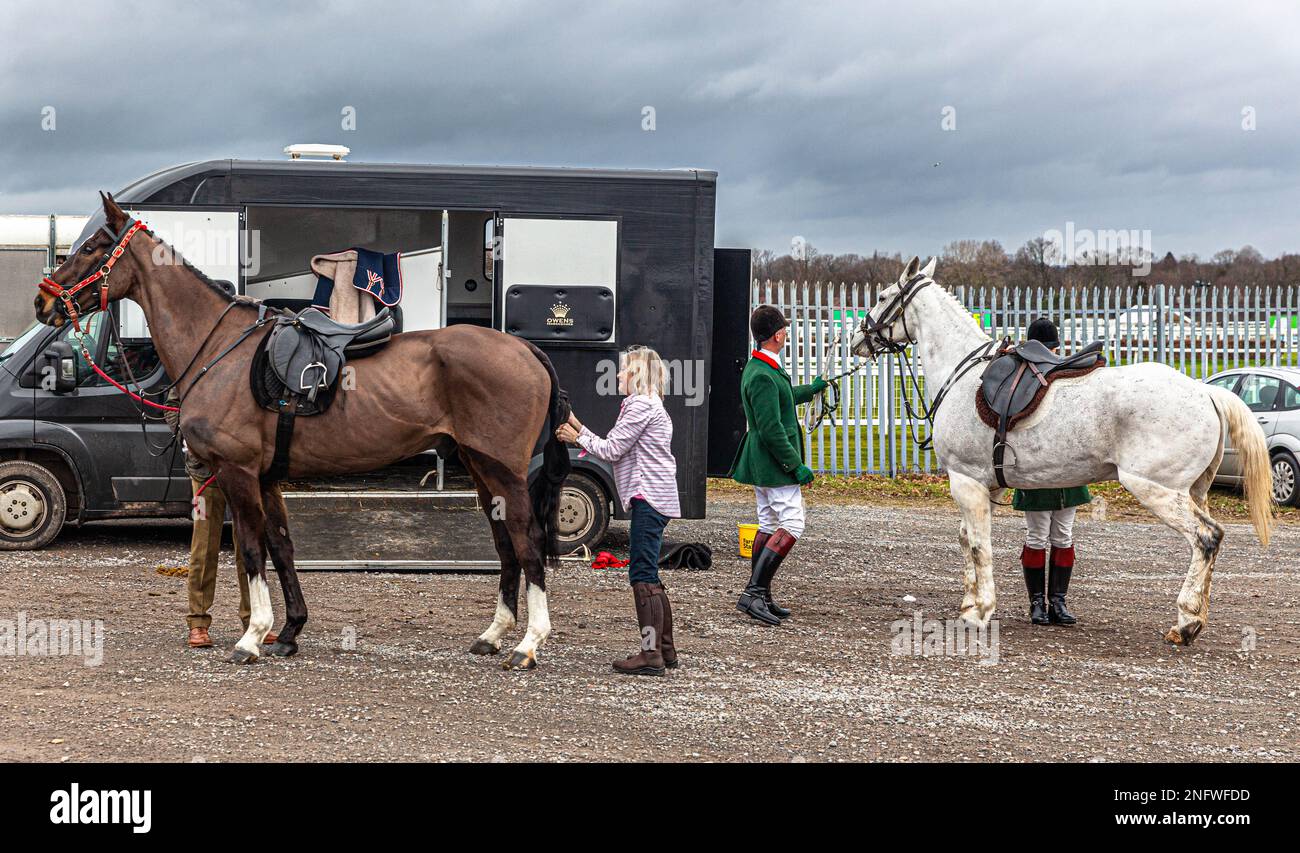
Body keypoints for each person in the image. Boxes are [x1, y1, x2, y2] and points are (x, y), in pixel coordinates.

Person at [556, 346, 681, 676]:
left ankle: (651, 653)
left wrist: (576, 435)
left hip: (648, 496)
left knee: (642, 574)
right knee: (650, 573)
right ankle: (665, 650)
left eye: (624, 370)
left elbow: (611, 450)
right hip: (657, 496)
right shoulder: (652, 403)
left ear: (637, 374)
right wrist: (576, 426)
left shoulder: (639, 405)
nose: (619, 375)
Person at [727, 305, 828, 625]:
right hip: (773, 462)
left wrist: (811, 390)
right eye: (784, 329)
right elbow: (770, 428)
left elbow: (781, 398)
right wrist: (796, 465)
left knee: (769, 523)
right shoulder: (761, 374)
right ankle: (753, 592)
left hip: (764, 461)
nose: (786, 333)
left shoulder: (764, 367)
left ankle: (761, 594)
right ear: (777, 335)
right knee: (793, 524)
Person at [164, 388, 275, 649]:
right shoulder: (192, 366)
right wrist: (190, 439)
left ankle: (254, 620)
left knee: (249, 546)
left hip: (243, 473)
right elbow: (172, 408)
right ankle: (198, 623)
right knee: (204, 547)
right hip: (205, 472)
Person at [1014, 317, 1091, 626]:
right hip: (1037, 470)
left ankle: (1057, 601)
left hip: (1068, 472)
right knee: (1037, 537)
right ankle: (1037, 603)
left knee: (1062, 535)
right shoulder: (1024, 382)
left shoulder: (1070, 379)